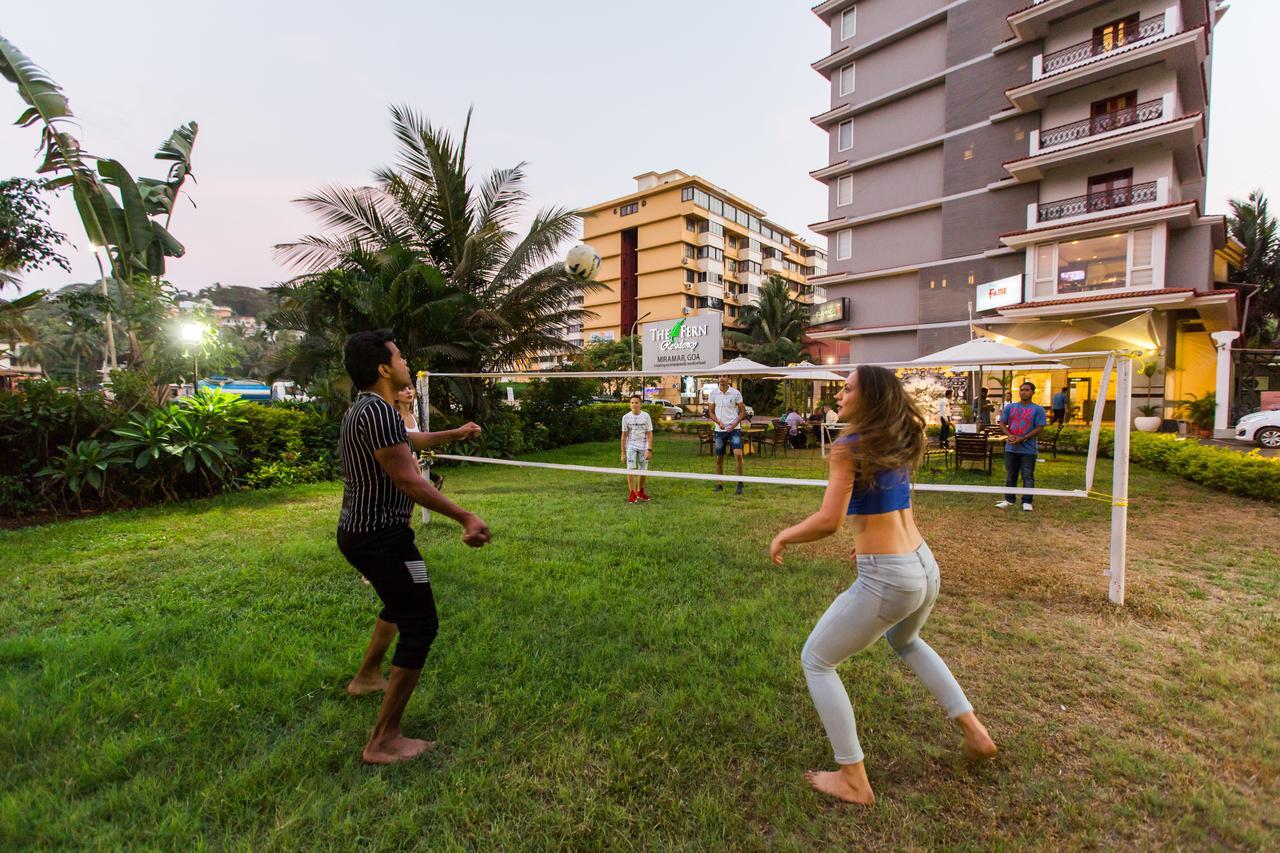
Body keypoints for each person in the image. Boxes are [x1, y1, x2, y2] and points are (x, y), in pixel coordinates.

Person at [769, 365, 996, 805]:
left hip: (890, 575)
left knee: (816, 660)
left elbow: (829, 521)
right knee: (907, 641)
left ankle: (853, 777)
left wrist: (784, 535)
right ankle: (975, 733)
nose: (839, 395)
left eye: (848, 389)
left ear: (869, 397)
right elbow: (890, 500)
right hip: (923, 565)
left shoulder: (849, 444)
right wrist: (870, 543)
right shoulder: (898, 433)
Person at [336, 330, 489, 765]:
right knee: (420, 624)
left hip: (365, 534)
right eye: (399, 356)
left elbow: (406, 444)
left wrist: (454, 433)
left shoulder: (365, 411)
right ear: (384, 368)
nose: (405, 362)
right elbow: (408, 478)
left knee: (401, 601)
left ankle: (366, 677)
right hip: (381, 538)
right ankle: (383, 740)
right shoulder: (380, 413)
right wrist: (465, 516)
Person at [996, 381, 1047, 512]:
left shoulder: (1038, 409)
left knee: (1027, 476)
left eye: (1026, 390)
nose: (1023, 392)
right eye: (1021, 390)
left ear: (1032, 392)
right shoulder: (1010, 407)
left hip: (1028, 450)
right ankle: (1009, 499)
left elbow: (1040, 427)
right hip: (1011, 448)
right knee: (1010, 475)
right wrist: (1009, 435)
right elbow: (1002, 423)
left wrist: (1023, 438)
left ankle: (1027, 501)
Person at [707, 374, 747, 494]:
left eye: (724, 376)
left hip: (734, 429)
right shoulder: (713, 394)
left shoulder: (735, 393)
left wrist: (734, 424)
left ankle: (740, 483)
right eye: (720, 376)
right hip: (720, 430)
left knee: (738, 454)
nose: (722, 378)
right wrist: (719, 422)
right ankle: (719, 485)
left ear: (728, 378)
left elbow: (742, 412)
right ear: (718, 379)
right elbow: (711, 412)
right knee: (719, 459)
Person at [620, 394, 654, 503]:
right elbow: (624, 436)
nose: (634, 404)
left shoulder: (646, 416)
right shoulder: (626, 417)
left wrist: (649, 449)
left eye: (636, 402)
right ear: (630, 405)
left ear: (640, 404)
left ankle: (640, 491)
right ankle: (632, 493)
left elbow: (649, 434)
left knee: (643, 471)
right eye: (632, 403)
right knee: (631, 469)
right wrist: (623, 453)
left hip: (644, 446)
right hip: (631, 446)